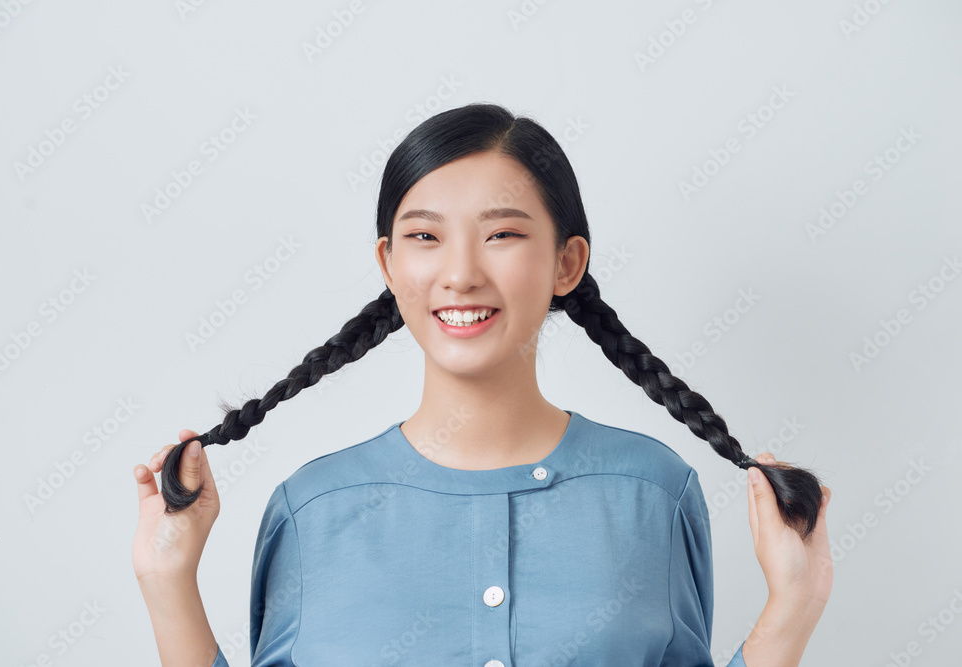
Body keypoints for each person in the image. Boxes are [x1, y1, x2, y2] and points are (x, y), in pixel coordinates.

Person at [132, 103, 833, 666]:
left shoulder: (654, 491)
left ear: (567, 263)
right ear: (389, 263)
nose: (461, 272)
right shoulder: (313, 510)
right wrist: (168, 582)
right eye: (426, 237)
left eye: (501, 234)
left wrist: (792, 608)